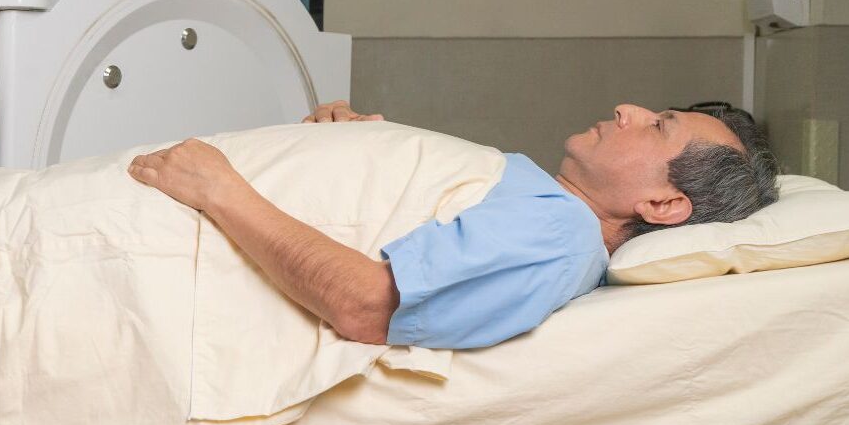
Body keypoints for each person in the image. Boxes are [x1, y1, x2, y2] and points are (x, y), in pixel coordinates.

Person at [127, 100, 778, 349]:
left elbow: (367, 305)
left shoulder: (563, 236)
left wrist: (222, 189)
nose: (627, 107)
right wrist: (342, 157)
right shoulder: (542, 203)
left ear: (664, 206)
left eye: (658, 125)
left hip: (144, 230)